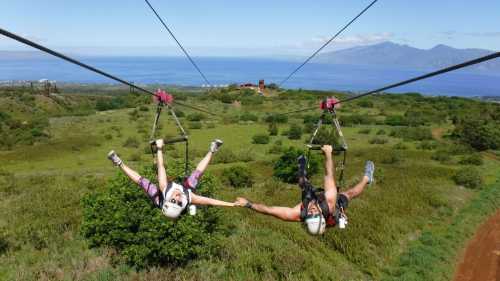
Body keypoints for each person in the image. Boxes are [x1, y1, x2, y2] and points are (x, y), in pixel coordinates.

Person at [235, 145, 375, 235]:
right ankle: (367, 178)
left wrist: (248, 204)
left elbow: (269, 210)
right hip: (332, 206)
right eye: (315, 214)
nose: (312, 211)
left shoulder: (297, 214)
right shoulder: (331, 203)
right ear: (321, 216)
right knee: (349, 194)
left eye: (310, 215)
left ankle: (301, 165)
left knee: (303, 183)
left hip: (315, 200)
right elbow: (328, 175)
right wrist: (328, 154)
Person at [107, 139, 235, 219]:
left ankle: (119, 163)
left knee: (143, 182)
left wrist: (159, 148)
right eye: (179, 202)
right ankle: (213, 150)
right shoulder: (188, 199)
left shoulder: (164, 190)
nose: (178, 198)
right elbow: (212, 201)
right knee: (196, 175)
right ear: (182, 205)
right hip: (184, 191)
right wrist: (233, 205)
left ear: (169, 199)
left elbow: (161, 166)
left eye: (173, 199)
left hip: (159, 196)